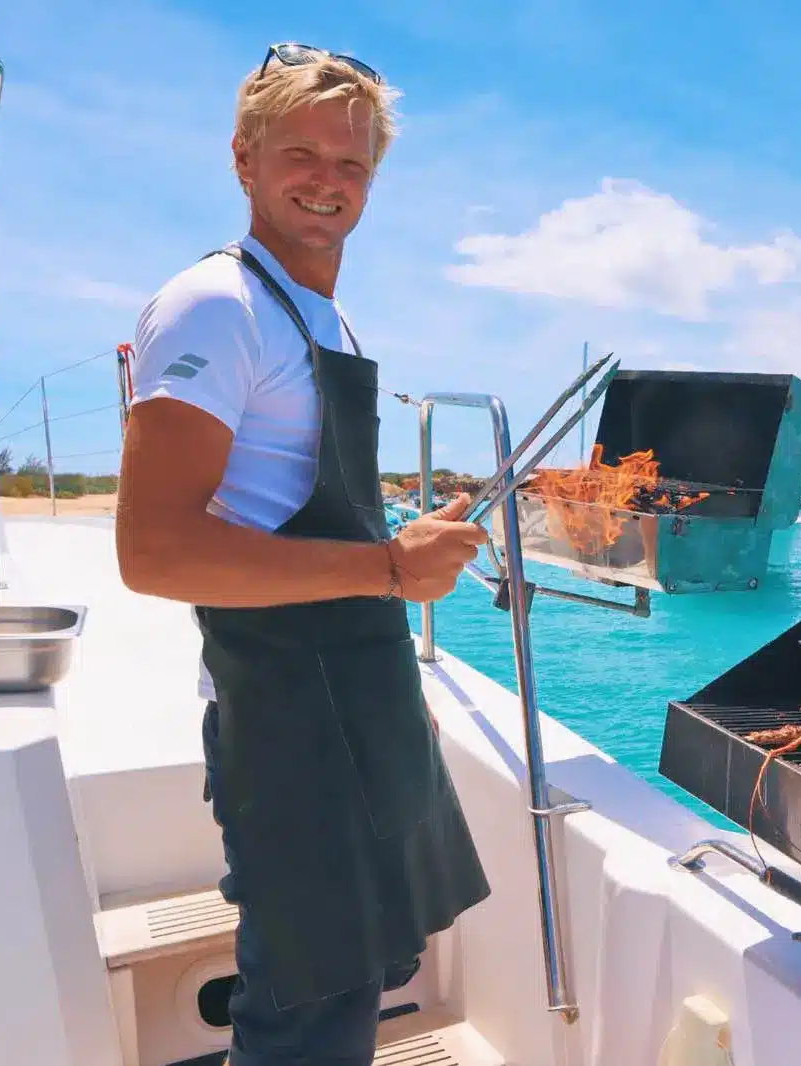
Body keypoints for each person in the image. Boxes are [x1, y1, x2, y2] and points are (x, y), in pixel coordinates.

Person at [115, 44, 491, 1066]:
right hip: (286, 719)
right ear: (244, 158)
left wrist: (398, 546)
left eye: (352, 164)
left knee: (353, 984)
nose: (328, 182)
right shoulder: (214, 304)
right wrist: (385, 570)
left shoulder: (317, 313)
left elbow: (290, 496)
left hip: (351, 701)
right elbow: (154, 550)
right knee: (306, 1014)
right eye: (302, 155)